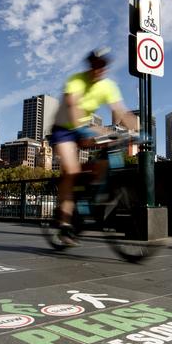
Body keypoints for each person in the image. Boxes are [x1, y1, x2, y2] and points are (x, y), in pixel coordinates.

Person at [50, 48, 137, 246]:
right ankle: (64, 224)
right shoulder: (76, 80)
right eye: (95, 64)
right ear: (89, 65)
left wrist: (139, 131)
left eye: (103, 65)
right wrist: (84, 129)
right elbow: (73, 106)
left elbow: (121, 111)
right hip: (64, 129)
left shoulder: (108, 86)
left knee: (112, 144)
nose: (99, 69)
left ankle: (93, 191)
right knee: (71, 171)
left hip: (85, 127)